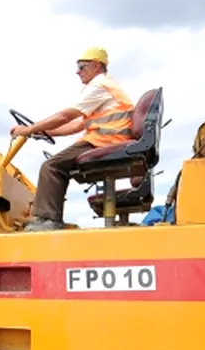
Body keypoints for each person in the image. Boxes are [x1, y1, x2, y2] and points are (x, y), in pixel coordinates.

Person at [11, 47, 136, 232]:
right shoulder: (106, 87)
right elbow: (77, 125)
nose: (77, 71)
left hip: (106, 141)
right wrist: (42, 132)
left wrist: (30, 128)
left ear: (96, 66)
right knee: (56, 164)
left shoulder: (99, 85)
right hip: (109, 140)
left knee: (51, 167)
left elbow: (65, 116)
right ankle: (48, 217)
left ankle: (49, 220)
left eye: (81, 66)